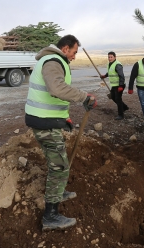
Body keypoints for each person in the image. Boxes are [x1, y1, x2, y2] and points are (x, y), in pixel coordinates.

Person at [24, 34, 98, 231]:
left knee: (56, 160)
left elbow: (52, 96)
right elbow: (56, 88)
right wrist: (84, 97)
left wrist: (63, 117)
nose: (74, 56)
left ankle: (58, 190)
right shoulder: (53, 61)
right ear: (65, 48)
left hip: (45, 119)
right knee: (60, 166)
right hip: (43, 122)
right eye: (74, 52)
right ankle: (50, 216)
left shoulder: (52, 61)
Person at [99, 51, 129, 120]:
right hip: (114, 85)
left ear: (115, 57)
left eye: (111, 57)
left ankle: (121, 115)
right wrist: (105, 76)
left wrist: (121, 86)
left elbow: (121, 76)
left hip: (119, 85)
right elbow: (110, 72)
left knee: (118, 99)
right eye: (109, 57)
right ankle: (124, 107)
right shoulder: (110, 64)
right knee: (112, 97)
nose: (110, 58)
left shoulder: (117, 65)